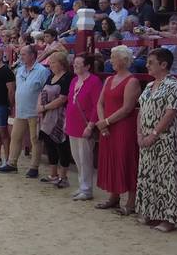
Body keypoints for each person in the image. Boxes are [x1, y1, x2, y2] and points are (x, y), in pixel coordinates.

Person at [136, 48, 177, 232]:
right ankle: (150, 212)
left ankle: (168, 218)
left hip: (165, 139)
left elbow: (170, 112)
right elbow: (141, 111)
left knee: (166, 177)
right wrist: (140, 134)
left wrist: (153, 134)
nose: (147, 65)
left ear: (163, 65)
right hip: (147, 137)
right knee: (148, 175)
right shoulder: (149, 86)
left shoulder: (174, 85)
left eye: (151, 62)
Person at [95, 45, 141, 215]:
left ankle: (131, 200)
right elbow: (100, 103)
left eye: (114, 57)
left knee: (126, 159)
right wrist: (102, 122)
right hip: (108, 126)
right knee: (111, 159)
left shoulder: (132, 81)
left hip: (123, 127)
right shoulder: (108, 80)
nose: (111, 60)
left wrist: (106, 121)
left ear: (123, 60)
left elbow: (127, 108)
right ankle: (113, 196)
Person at [0, 45, 50, 176]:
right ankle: (12, 163)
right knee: (15, 137)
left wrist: (42, 109)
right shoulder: (20, 70)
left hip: (35, 111)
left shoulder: (42, 71)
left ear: (32, 55)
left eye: (24, 54)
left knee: (35, 139)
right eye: (21, 54)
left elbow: (46, 91)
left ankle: (34, 167)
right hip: (21, 110)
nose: (21, 57)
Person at [65, 54, 103, 201]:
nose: (75, 66)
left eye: (79, 63)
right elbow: (69, 102)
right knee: (76, 157)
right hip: (73, 123)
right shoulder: (74, 80)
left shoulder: (94, 81)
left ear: (87, 66)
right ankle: (82, 186)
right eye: (75, 63)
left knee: (85, 158)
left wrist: (91, 125)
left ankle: (87, 189)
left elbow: (96, 105)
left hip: (85, 124)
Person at [37, 52, 73, 189]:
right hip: (47, 115)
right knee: (50, 144)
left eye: (53, 62)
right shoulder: (51, 76)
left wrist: (44, 107)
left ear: (61, 63)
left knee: (61, 145)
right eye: (50, 63)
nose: (51, 65)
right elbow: (42, 92)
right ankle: (53, 174)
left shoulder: (68, 77)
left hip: (60, 116)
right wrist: (39, 106)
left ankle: (63, 177)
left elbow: (63, 98)